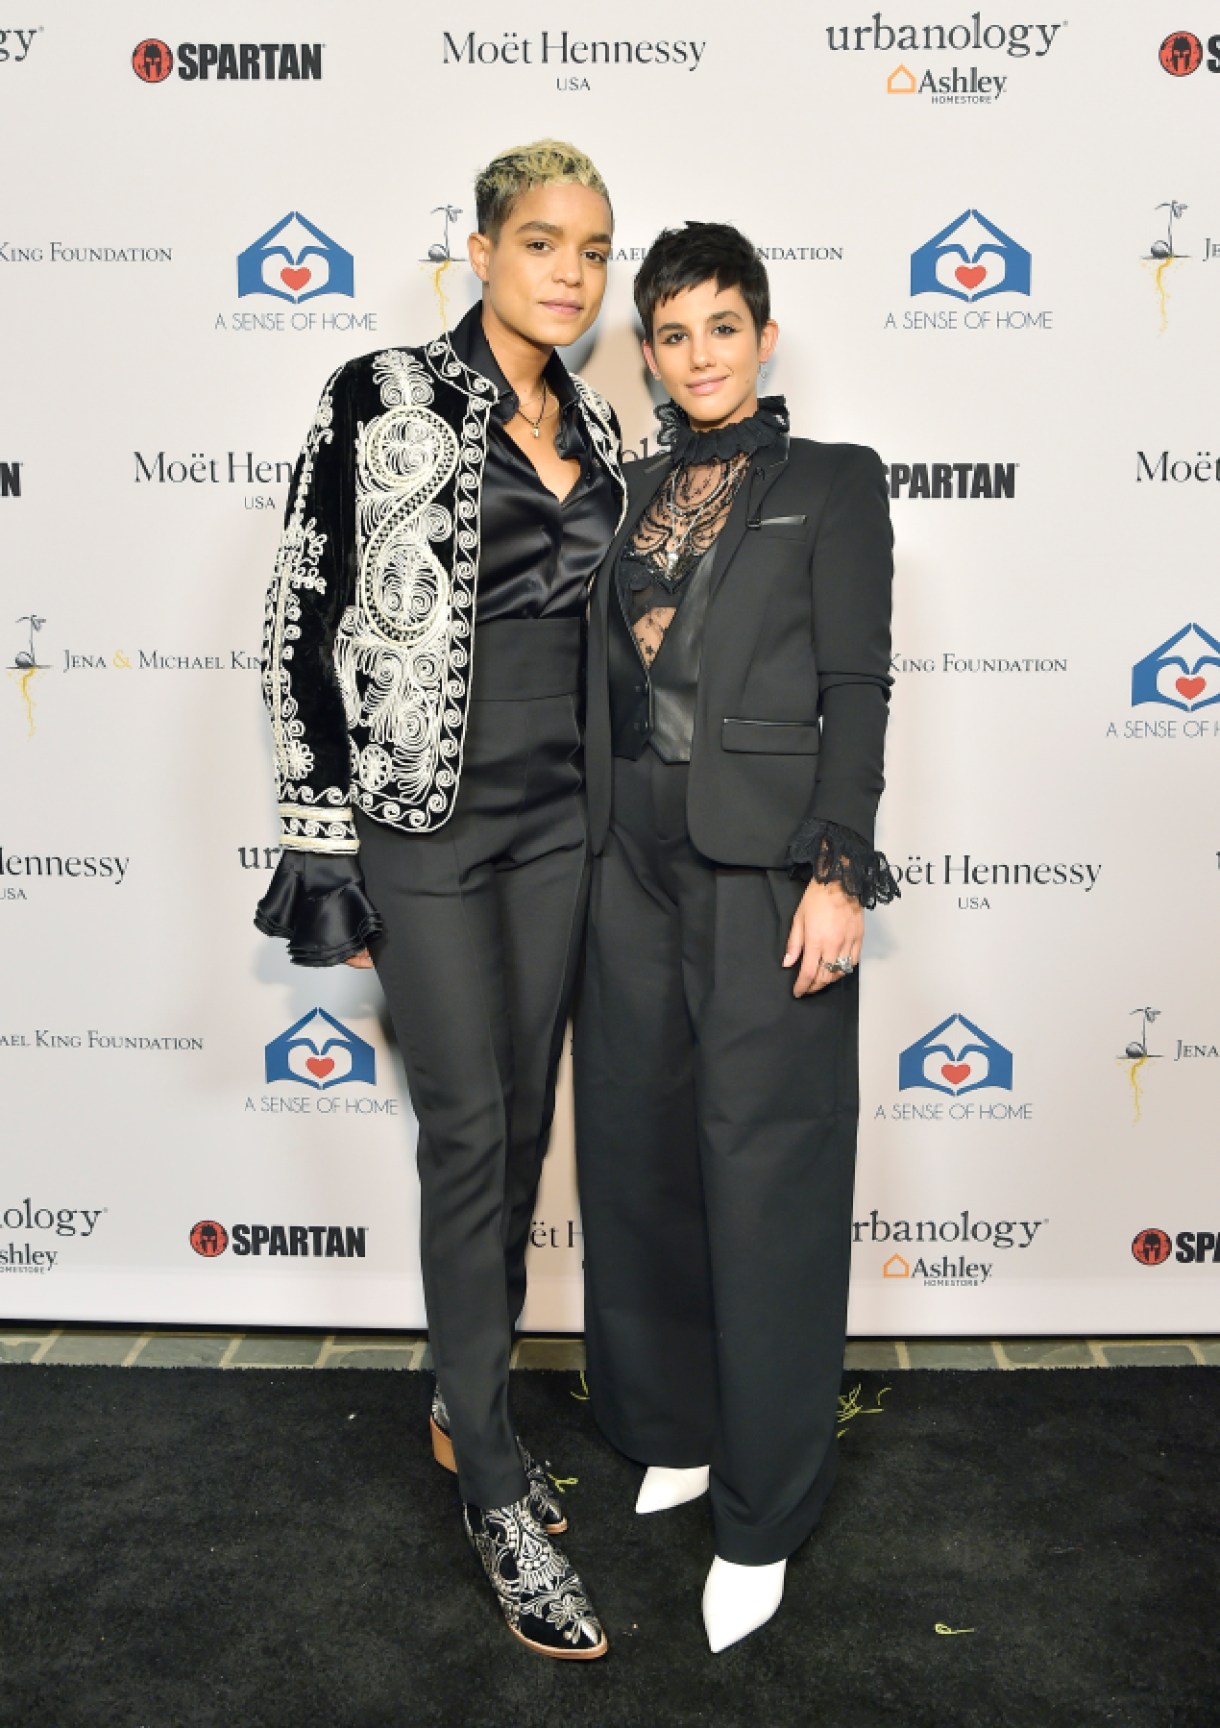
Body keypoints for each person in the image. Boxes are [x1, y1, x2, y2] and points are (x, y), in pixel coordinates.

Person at [254, 141, 626, 1661]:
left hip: (565, 822)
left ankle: (452, 1390)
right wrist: (319, 833)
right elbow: (302, 603)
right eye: (542, 241)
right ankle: (488, 1476)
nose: (570, 272)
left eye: (595, 252)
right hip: (422, 819)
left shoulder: (599, 423)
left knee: (523, 1125)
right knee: (468, 1126)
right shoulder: (380, 393)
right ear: (478, 249)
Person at [573, 221, 898, 1652]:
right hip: (623, 863)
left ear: (765, 335)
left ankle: (764, 1508)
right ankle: (676, 1431)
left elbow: (858, 686)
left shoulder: (834, 484)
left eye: (723, 325)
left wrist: (841, 870)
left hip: (767, 866)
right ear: (647, 349)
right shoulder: (622, 490)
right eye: (672, 331)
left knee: (765, 1176)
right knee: (640, 1159)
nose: (699, 354)